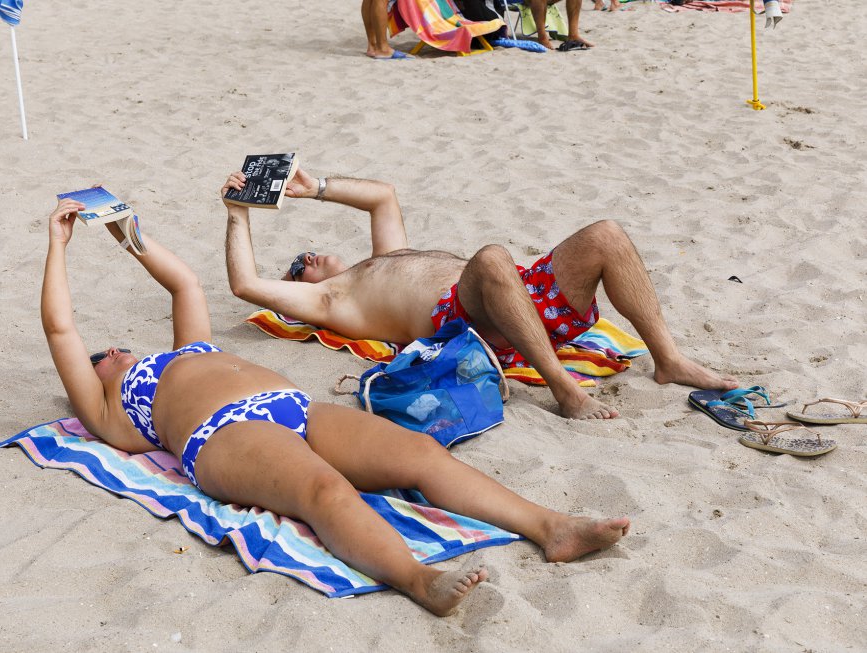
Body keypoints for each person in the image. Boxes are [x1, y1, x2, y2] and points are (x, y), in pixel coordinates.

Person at [42, 197, 630, 616]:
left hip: (294, 406)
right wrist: (58, 245)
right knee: (323, 492)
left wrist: (126, 231)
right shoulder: (110, 411)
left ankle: (553, 527)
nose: (113, 349)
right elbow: (61, 329)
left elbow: (184, 286)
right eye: (104, 355)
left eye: (116, 345)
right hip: (225, 434)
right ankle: (418, 580)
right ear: (92, 383)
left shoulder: (187, 350)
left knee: (420, 455)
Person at [222, 168, 739, 421]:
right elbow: (245, 284)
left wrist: (316, 189)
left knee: (605, 234)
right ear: (299, 290)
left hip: (517, 301)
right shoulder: (331, 300)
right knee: (491, 255)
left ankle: (668, 359)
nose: (307, 258)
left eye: (307, 251)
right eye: (298, 267)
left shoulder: (382, 260)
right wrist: (237, 212)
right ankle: (564, 390)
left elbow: (383, 197)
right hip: (465, 328)